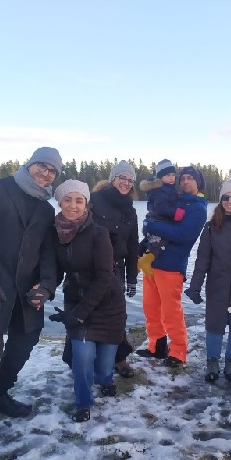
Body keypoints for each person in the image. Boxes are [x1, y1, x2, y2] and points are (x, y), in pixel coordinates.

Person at [0, 145, 62, 452]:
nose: (45, 173)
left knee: (24, 343)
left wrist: (46, 287)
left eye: (51, 171)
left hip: (26, 293)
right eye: (41, 166)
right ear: (29, 164)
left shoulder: (47, 209)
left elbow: (48, 253)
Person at [47, 180, 126, 423]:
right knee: (82, 356)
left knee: (103, 367)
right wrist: (43, 289)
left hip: (108, 304)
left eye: (79, 200)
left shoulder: (99, 233)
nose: (73, 206)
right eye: (68, 200)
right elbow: (53, 270)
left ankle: (105, 378)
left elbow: (104, 277)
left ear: (86, 205)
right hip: (76, 301)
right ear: (59, 202)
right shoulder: (54, 233)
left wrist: (79, 313)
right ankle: (83, 402)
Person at [184, 176, 231, 383]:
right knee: (215, 326)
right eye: (226, 197)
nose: (230, 201)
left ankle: (230, 364)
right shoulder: (210, 227)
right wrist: (195, 286)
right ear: (220, 200)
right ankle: (212, 363)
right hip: (217, 285)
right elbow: (203, 259)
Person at [137, 165, 207, 367]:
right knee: (151, 308)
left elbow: (183, 235)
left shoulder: (198, 208)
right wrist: (145, 240)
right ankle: (157, 346)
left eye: (190, 179)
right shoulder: (176, 199)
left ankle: (178, 351)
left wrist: (151, 225)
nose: (185, 181)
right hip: (153, 260)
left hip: (171, 265)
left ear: (198, 182)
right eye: (182, 178)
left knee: (170, 312)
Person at [90, 160, 140, 378]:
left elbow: (132, 247)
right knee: (89, 313)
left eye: (130, 180)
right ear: (112, 179)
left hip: (117, 270)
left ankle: (119, 359)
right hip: (91, 267)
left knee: (117, 316)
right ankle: (85, 360)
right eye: (123, 178)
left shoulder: (130, 210)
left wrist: (132, 278)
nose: (126, 183)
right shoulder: (93, 201)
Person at [137, 158, 186, 274]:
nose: (171, 178)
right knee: (162, 241)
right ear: (160, 177)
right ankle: (146, 260)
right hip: (159, 220)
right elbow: (161, 208)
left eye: (173, 175)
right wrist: (176, 213)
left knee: (149, 240)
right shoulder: (160, 191)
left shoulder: (166, 189)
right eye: (168, 175)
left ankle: (138, 255)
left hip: (154, 220)